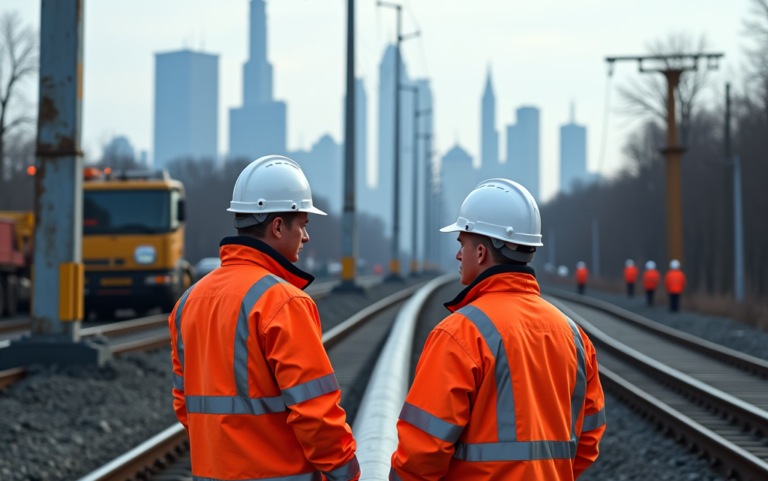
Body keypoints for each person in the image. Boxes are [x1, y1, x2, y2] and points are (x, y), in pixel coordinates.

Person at [390, 179, 606, 480]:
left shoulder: (459, 334)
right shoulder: (573, 335)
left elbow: (421, 453)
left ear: (480, 253)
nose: (457, 255)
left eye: (461, 244)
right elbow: (588, 438)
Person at [168, 155, 360, 481]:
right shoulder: (283, 302)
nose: (306, 236)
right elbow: (315, 411)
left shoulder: (188, 301)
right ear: (277, 226)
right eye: (303, 224)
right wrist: (346, 473)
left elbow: (185, 405)